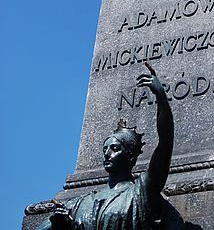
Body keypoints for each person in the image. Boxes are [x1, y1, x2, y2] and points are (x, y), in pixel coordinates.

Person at [38, 63, 184, 229]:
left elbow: (165, 144)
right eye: (105, 149)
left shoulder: (141, 192)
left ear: (130, 156)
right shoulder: (79, 204)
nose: (107, 153)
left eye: (115, 148)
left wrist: (161, 97)